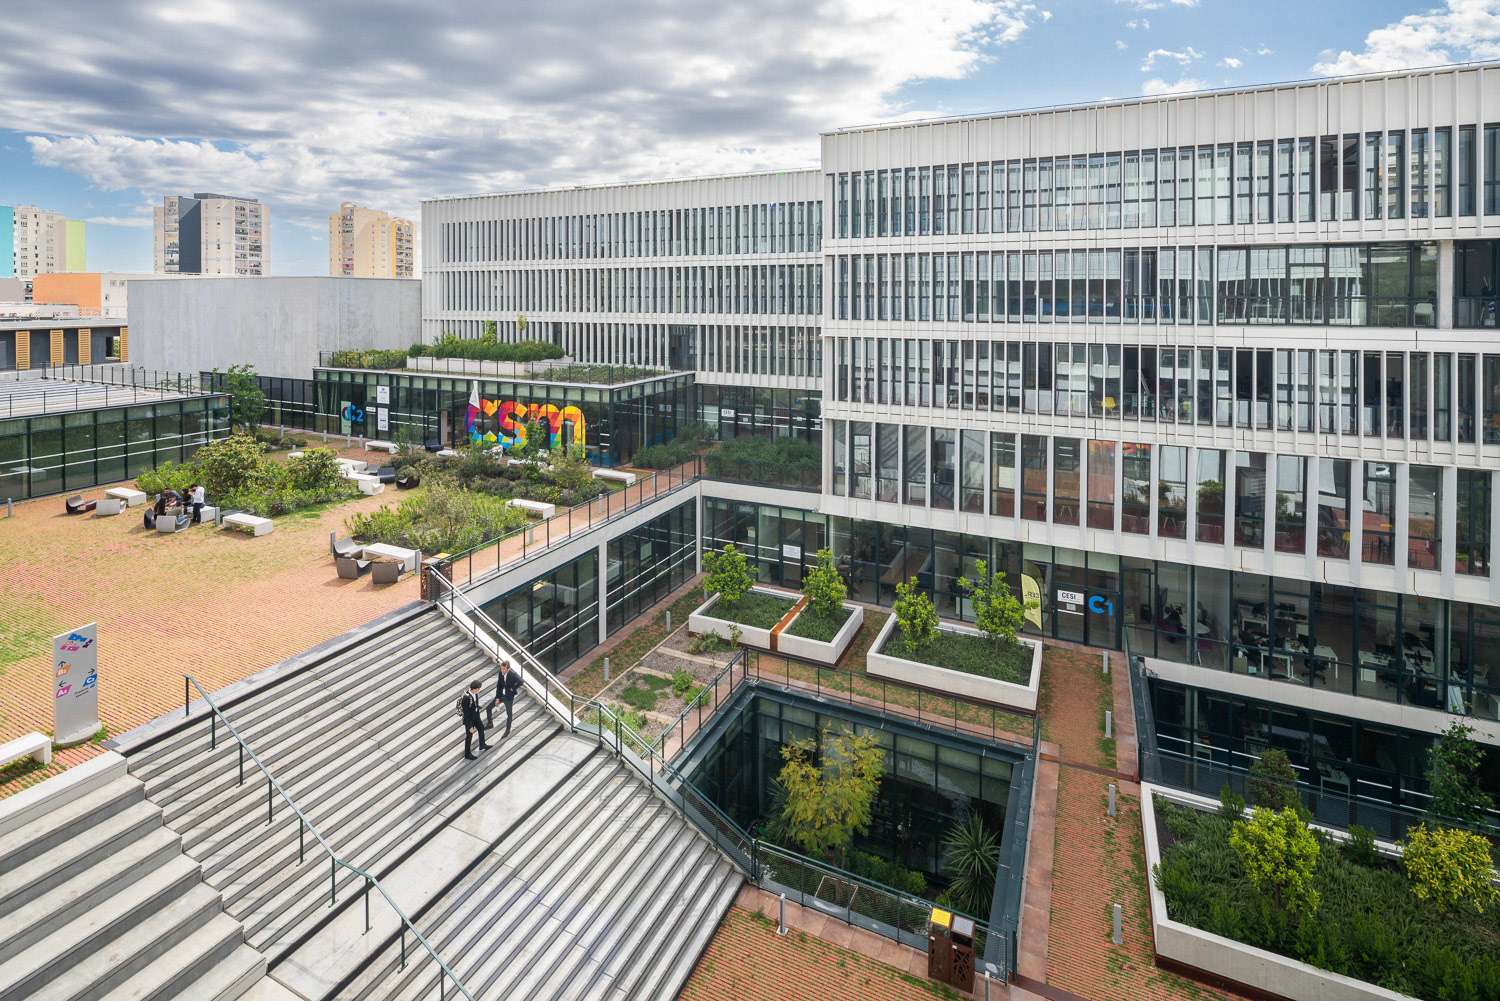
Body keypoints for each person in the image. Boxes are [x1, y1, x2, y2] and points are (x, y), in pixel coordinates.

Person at [488, 660, 523, 737]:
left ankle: (507, 730)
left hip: (509, 697)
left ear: (507, 668)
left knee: (509, 714)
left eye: (504, 669)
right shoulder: (500, 673)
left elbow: (521, 681)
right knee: (488, 707)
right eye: (501, 668)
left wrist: (513, 688)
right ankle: (490, 723)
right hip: (501, 695)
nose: (502, 670)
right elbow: (498, 686)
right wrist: (497, 698)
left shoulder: (512, 674)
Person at [460, 680, 489, 760]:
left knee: (481, 728)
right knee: (469, 736)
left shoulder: (475, 694)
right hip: (469, 719)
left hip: (476, 716)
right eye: (478, 689)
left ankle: (482, 745)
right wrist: (470, 726)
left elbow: (475, 704)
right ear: (475, 689)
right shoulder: (466, 698)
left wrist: (477, 708)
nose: (478, 690)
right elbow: (466, 714)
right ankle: (467, 754)